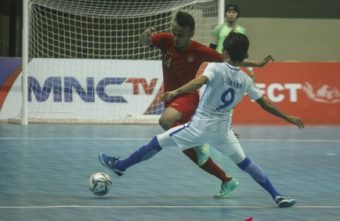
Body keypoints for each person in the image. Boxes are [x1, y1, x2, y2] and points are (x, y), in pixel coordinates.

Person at [99, 32, 304, 207]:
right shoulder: (246, 80)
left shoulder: (215, 68)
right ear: (244, 55)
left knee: (158, 142)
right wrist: (288, 117)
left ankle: (120, 166)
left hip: (199, 128)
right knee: (246, 164)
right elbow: (265, 104)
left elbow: (198, 83)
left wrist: (174, 92)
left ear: (224, 52)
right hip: (223, 133)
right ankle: (277, 196)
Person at [138, 11, 273, 198]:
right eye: (174, 32)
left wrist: (256, 64)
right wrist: (143, 38)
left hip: (188, 96)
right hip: (171, 99)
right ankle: (226, 179)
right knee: (185, 145)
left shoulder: (199, 50)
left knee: (166, 121)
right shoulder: (165, 40)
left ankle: (122, 165)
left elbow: (229, 59)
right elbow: (144, 43)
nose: (175, 38)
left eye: (180, 34)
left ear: (191, 33)